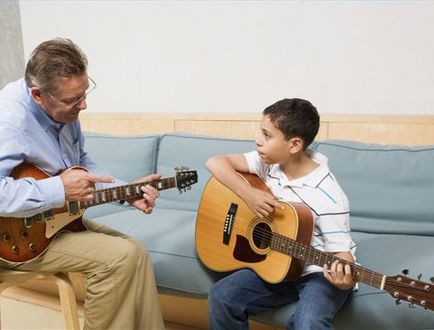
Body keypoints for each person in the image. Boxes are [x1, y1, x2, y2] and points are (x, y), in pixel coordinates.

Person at [0, 38, 164, 329]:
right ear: (38, 95)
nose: (83, 104)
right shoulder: (9, 121)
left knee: (136, 252)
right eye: (73, 100)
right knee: (119, 259)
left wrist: (124, 192)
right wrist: (59, 189)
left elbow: (82, 165)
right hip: (14, 239)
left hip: (52, 223)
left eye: (85, 93)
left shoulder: (64, 109)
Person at [206, 98, 356, 330]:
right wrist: (249, 194)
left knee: (308, 322)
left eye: (267, 135)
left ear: (294, 145)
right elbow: (215, 162)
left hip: (317, 272)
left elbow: (341, 255)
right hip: (276, 263)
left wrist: (344, 281)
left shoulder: (329, 195)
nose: (258, 140)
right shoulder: (269, 163)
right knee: (222, 297)